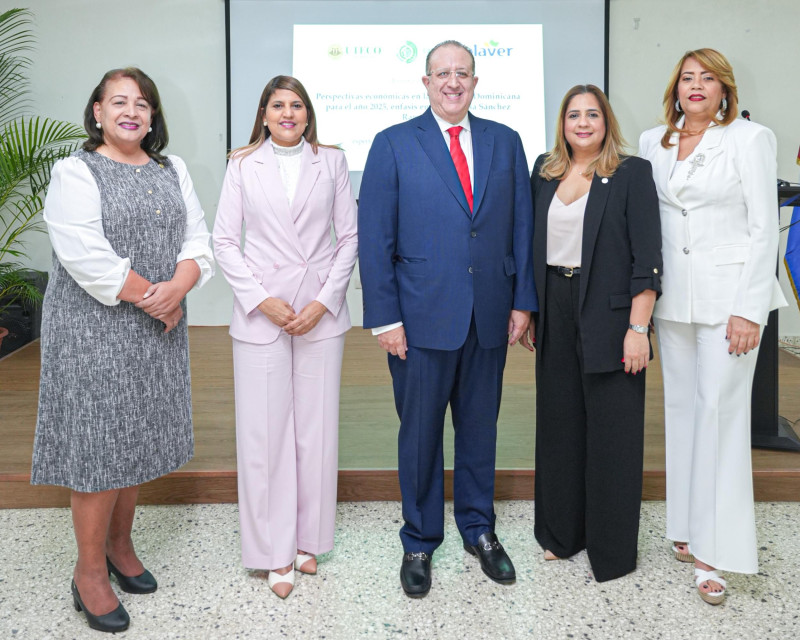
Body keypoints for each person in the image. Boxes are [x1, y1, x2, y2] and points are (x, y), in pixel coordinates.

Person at [30, 67, 214, 633]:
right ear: (97, 113)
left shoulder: (172, 168)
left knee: (133, 441)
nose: (131, 111)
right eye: (118, 102)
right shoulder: (74, 170)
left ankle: (119, 547)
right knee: (98, 451)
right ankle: (89, 573)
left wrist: (179, 287)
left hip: (156, 328)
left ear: (153, 116)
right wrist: (158, 299)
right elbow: (86, 257)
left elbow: (198, 240)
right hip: (94, 334)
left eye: (142, 103)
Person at [358, 40, 536, 598]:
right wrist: (384, 317)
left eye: (463, 73)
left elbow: (522, 230)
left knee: (481, 430)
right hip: (418, 319)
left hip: (489, 317)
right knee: (420, 436)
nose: (453, 82)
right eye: (443, 73)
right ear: (426, 82)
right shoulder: (392, 144)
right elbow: (374, 238)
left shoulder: (505, 143)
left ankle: (479, 531)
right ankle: (419, 539)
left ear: (476, 82)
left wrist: (522, 302)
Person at [639, 48, 787, 605]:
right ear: (675, 88)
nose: (695, 86)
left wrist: (749, 308)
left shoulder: (750, 139)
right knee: (680, 415)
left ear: (725, 89)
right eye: (686, 78)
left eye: (707, 79)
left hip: (730, 304)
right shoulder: (655, 141)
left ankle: (715, 551)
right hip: (673, 299)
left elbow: (761, 228)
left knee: (720, 417)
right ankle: (686, 526)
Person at [213, 75, 358, 599]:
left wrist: (324, 301)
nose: (289, 112)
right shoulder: (241, 163)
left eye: (297, 104)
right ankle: (273, 552)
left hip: (320, 311)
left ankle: (308, 540)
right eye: (279, 105)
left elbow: (349, 237)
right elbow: (224, 240)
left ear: (308, 113)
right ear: (265, 112)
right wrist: (262, 300)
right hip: (261, 313)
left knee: (314, 430)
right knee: (265, 433)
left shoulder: (333, 162)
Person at [530, 85, 662, 582]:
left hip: (612, 314)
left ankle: (610, 550)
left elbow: (647, 257)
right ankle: (562, 535)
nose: (582, 123)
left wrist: (637, 328)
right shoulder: (545, 172)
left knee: (613, 434)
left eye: (592, 114)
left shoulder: (630, 173)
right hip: (556, 308)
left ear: (606, 121)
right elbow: (532, 246)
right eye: (573, 115)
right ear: (561, 123)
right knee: (560, 425)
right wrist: (534, 312)